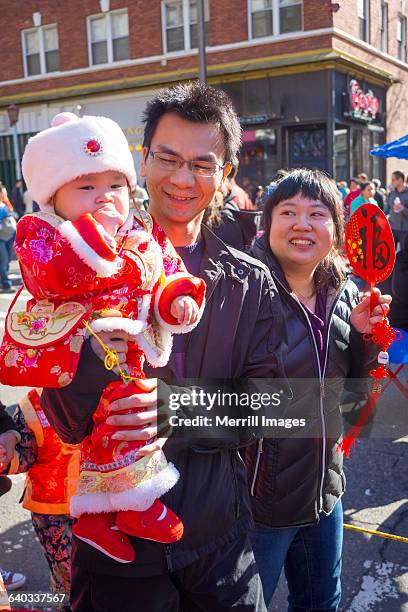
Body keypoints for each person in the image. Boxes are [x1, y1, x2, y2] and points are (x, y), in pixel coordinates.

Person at [38, 82, 286, 612]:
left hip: (220, 539)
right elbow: (62, 419)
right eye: (167, 158)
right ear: (142, 159)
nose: (181, 178)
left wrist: (181, 407)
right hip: (116, 553)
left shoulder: (249, 281)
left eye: (202, 164)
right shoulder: (82, 267)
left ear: (226, 176)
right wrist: (90, 357)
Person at [0, 111, 206, 564]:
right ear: (54, 195)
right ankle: (124, 509)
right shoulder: (42, 231)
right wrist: (100, 242)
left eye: (114, 185)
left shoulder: (140, 229)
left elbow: (168, 269)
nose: (104, 198)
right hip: (74, 349)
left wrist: (177, 299)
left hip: (130, 346)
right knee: (109, 422)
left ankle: (107, 514)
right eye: (86, 187)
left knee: (126, 421)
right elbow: (53, 276)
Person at [245, 168, 391, 610]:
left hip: (324, 490)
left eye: (318, 213)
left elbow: (353, 400)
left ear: (337, 230)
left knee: (322, 601)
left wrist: (366, 338)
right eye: (288, 212)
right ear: (267, 224)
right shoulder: (241, 295)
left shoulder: (344, 294)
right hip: (257, 505)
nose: (302, 224)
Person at [0, 389, 78, 610]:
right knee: (66, 572)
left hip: (99, 505)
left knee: (102, 569)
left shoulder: (109, 393)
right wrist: (7, 457)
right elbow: (24, 455)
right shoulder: (32, 407)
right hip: (51, 511)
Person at [0, 187, 17, 293]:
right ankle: (6, 284)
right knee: (4, 260)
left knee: (7, 260)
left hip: (9, 236)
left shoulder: (5, 203)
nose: (4, 194)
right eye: (3, 192)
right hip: (1, 237)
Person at [386, 170, 408, 251]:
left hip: (405, 230)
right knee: (390, 252)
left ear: (400, 180)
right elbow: (387, 210)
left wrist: (403, 209)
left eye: (393, 179)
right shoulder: (391, 194)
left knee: (404, 255)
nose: (391, 182)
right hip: (392, 228)